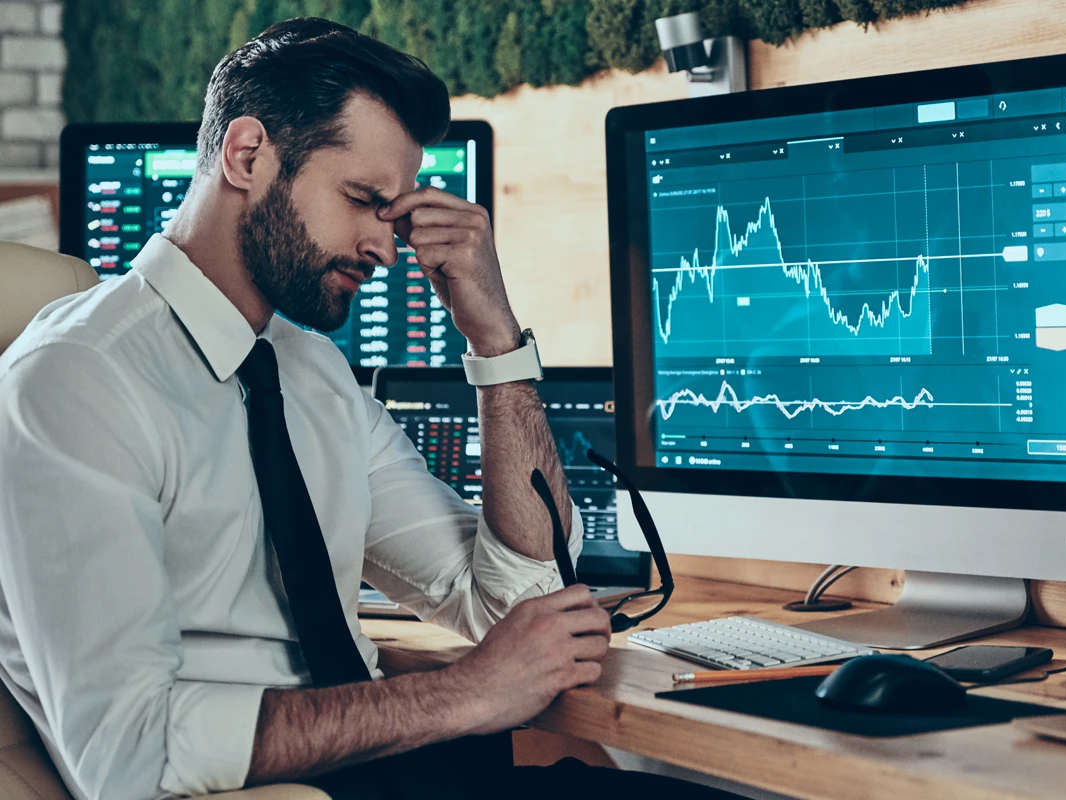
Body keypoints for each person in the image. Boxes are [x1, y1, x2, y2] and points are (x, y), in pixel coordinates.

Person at [0, 17, 740, 800]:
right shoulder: (75, 382)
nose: (387, 251)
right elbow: (130, 756)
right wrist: (465, 693)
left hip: (402, 769)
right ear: (247, 155)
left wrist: (493, 339)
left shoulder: (312, 375)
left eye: (394, 217)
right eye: (362, 200)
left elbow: (519, 606)